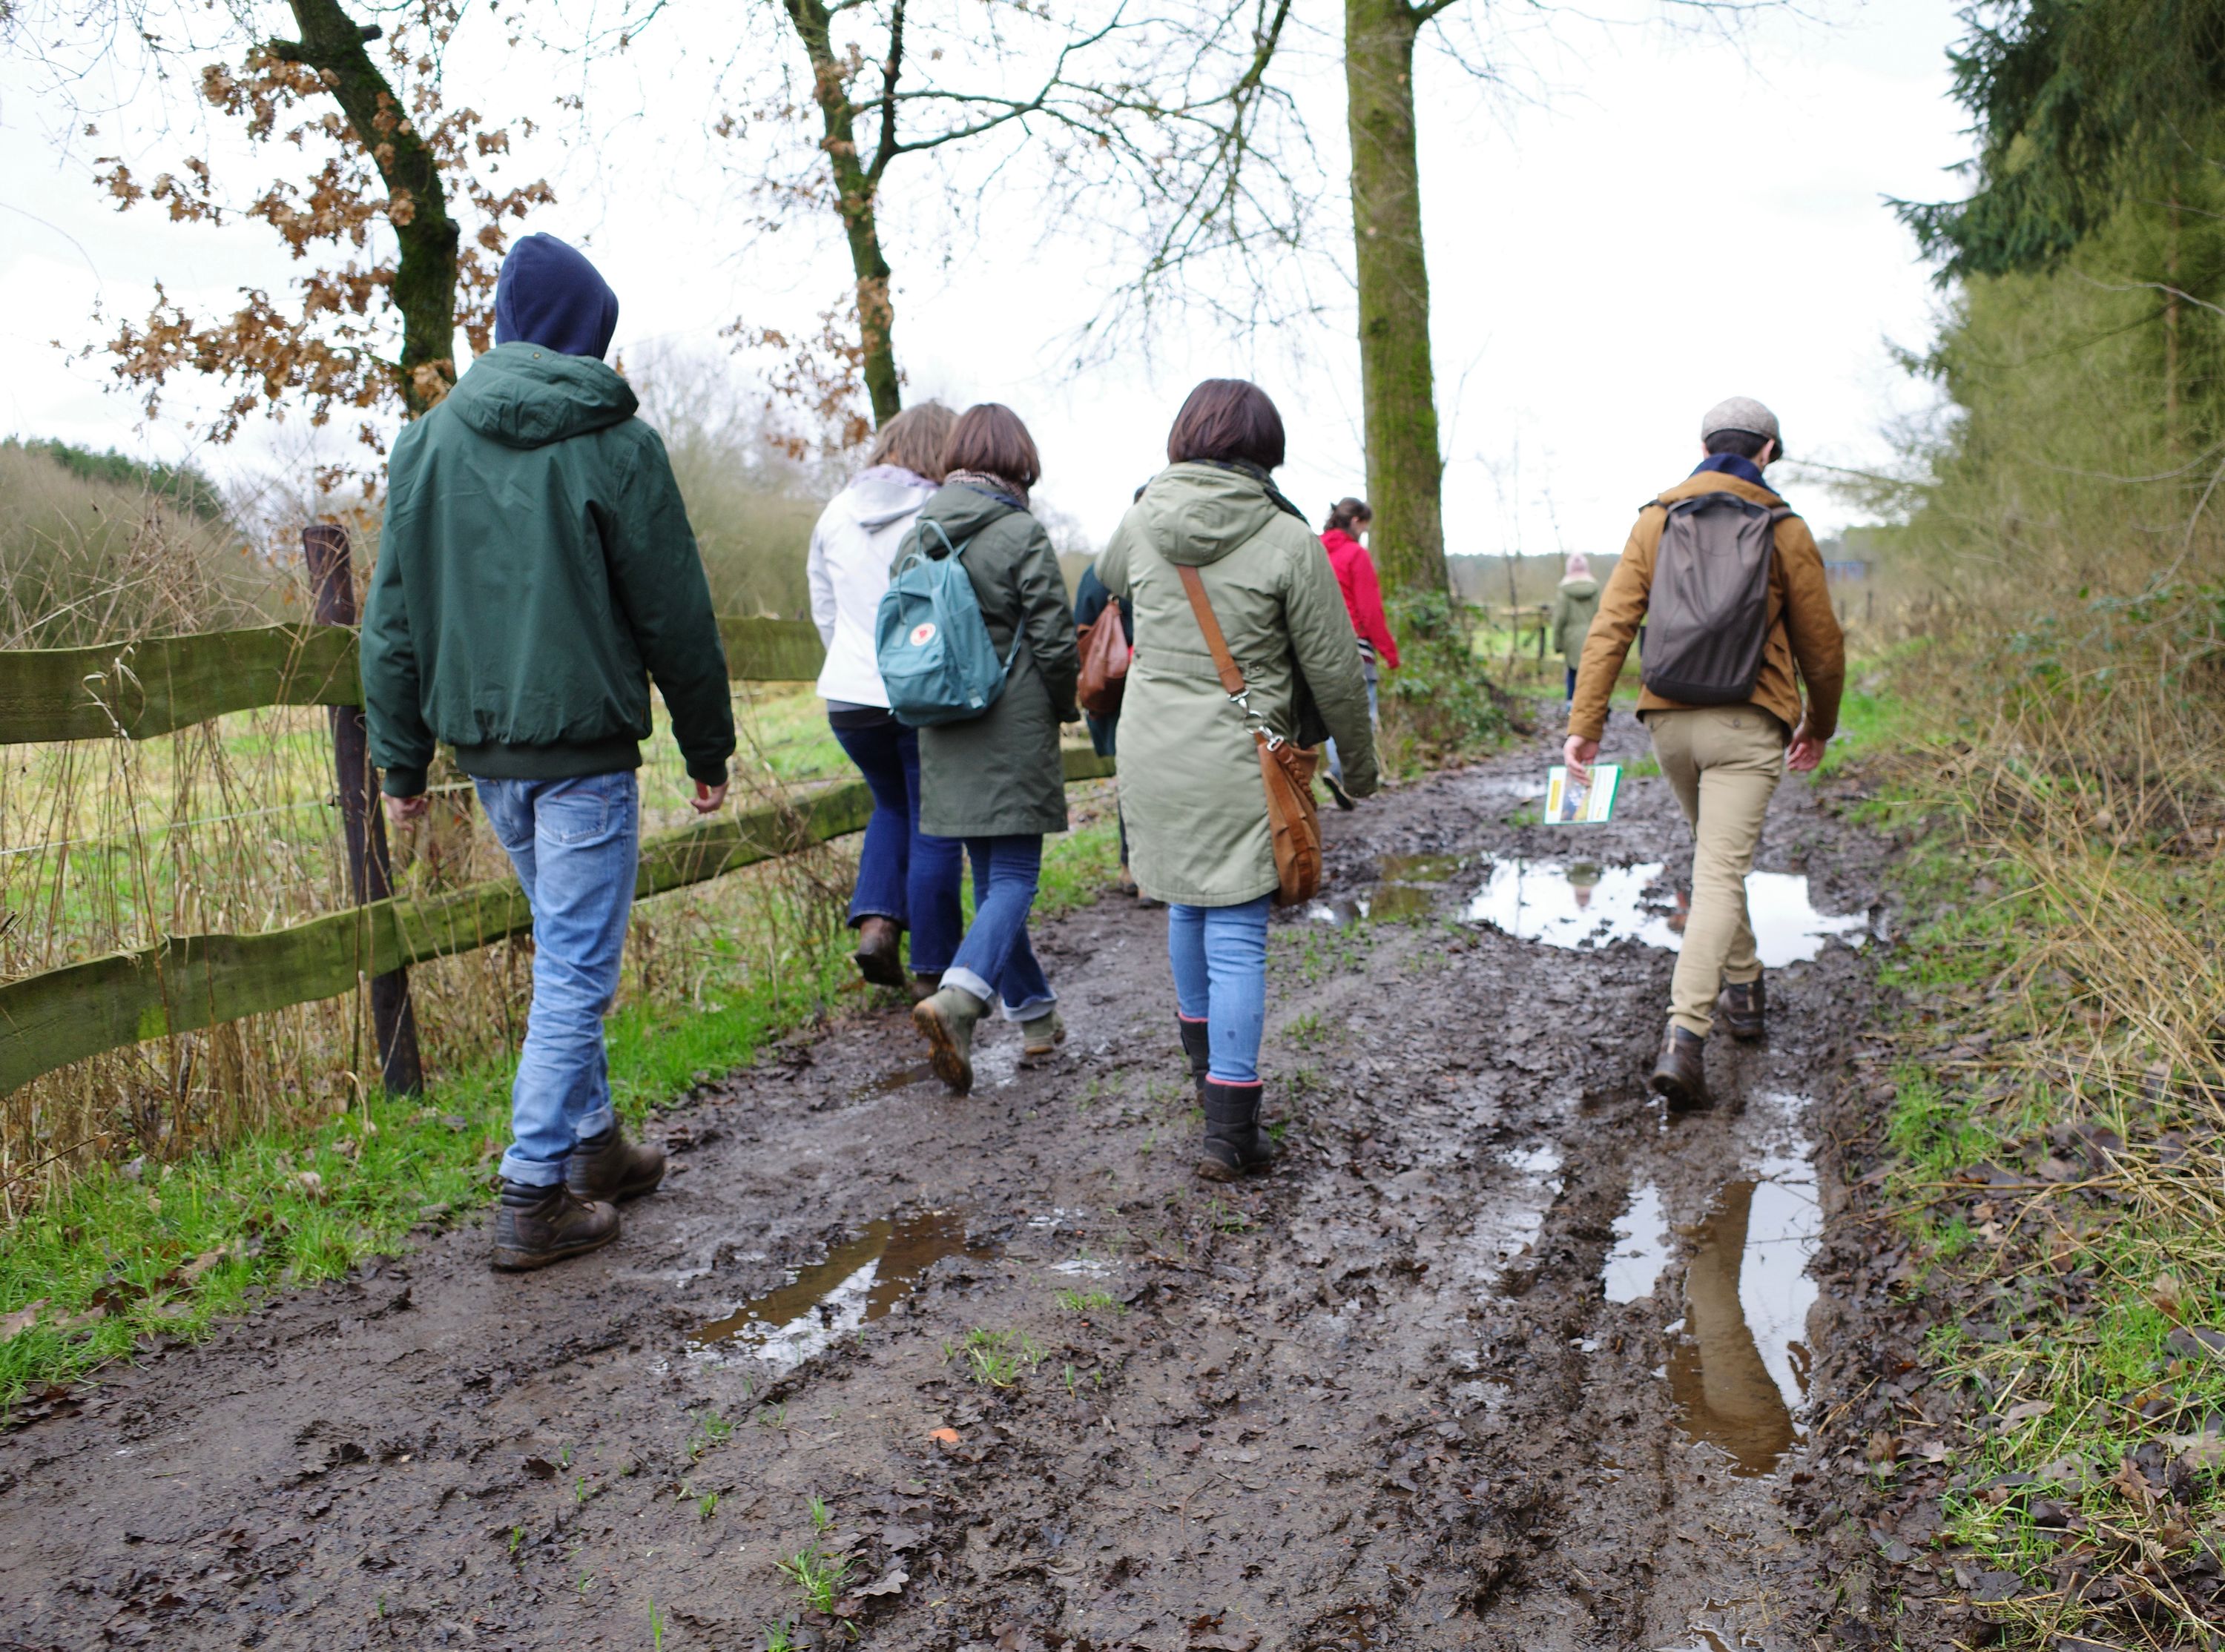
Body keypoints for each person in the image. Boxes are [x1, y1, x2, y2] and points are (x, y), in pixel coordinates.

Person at [363, 233, 735, 1271]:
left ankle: (595, 1150)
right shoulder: (618, 443)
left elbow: (390, 623)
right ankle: (533, 1193)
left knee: (566, 950)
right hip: (580, 752)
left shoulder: (425, 445)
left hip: (487, 754)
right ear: (587, 337)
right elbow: (676, 611)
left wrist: (403, 765)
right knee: (576, 969)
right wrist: (707, 743)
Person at [1098, 380, 1378, 1180]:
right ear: (1267, 451)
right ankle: (1230, 1129)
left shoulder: (1140, 520)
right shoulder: (1288, 538)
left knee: (1188, 901)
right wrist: (1357, 766)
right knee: (1237, 930)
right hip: (1239, 757)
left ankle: (1209, 1088)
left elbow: (1105, 579)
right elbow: (1332, 665)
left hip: (1151, 750)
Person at [1563, 397, 1845, 1109]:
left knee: (1716, 858)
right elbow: (1822, 642)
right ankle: (1685, 1038)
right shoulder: (1785, 528)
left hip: (1671, 722)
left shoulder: (1656, 518)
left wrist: (1585, 723)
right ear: (1769, 452)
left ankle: (1746, 992)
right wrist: (1821, 721)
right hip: (1749, 722)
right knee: (1720, 869)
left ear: (1702, 443)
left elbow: (1612, 625)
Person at [906, 405, 1081, 1095]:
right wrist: (1063, 705)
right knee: (1014, 881)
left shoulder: (917, 534)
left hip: (943, 726)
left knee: (993, 885)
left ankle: (1036, 1019)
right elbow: (1055, 637)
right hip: (1010, 727)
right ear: (1019, 461)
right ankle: (958, 1002)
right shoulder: (1019, 530)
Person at [807, 402, 965, 1001]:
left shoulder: (834, 512)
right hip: (918, 693)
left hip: (848, 695)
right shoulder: (938, 514)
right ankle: (934, 974)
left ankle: (877, 926)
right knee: (934, 825)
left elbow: (825, 607)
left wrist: (852, 664)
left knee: (891, 807)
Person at [1072, 552, 1151, 902]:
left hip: (1116, 691)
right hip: (1164, 689)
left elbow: (1082, 629)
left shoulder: (1101, 569)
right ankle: (1156, 871)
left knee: (1133, 782)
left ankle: (1132, 867)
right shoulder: (1175, 561)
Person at [1318, 497, 1399, 808]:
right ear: (1355, 523)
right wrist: (1389, 652)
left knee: (1329, 714)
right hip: (1355, 645)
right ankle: (1343, 775)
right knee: (1362, 715)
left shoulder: (1314, 551)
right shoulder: (1355, 554)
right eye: (1364, 528)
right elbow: (1369, 610)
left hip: (1318, 646)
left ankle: (1338, 774)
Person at [1548, 552, 1601, 707]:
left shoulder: (1564, 591)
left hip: (1571, 638)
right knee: (1593, 673)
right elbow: (1601, 614)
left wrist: (1557, 643)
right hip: (1593, 635)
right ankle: (1596, 705)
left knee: (1573, 672)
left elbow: (1560, 618)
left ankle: (1572, 705)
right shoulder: (1595, 589)